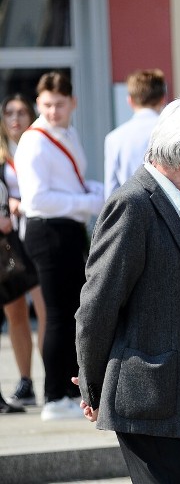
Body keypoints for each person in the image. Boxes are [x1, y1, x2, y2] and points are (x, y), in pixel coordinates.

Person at [75, 95, 180, 482]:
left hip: (178, 401)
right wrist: (93, 387)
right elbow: (97, 306)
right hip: (150, 401)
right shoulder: (133, 204)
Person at [16, 71, 104, 421]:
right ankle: (55, 396)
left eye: (59, 104)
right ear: (38, 104)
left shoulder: (67, 133)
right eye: (47, 105)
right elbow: (37, 199)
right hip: (47, 230)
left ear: (73, 104)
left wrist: (90, 195)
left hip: (65, 230)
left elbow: (70, 185)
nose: (53, 111)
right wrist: (89, 201)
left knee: (71, 314)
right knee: (55, 315)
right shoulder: (35, 140)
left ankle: (67, 390)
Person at [0, 93, 46, 408]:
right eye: (9, 112)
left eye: (21, 112)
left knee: (45, 311)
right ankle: (25, 381)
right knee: (15, 313)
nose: (15, 118)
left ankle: (55, 377)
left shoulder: (40, 147)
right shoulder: (2, 156)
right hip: (10, 246)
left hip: (36, 238)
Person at [103, 68, 167, 198]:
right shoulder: (171, 131)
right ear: (163, 99)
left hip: (131, 208)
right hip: (167, 209)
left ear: (130, 101)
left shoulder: (114, 138)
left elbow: (111, 191)